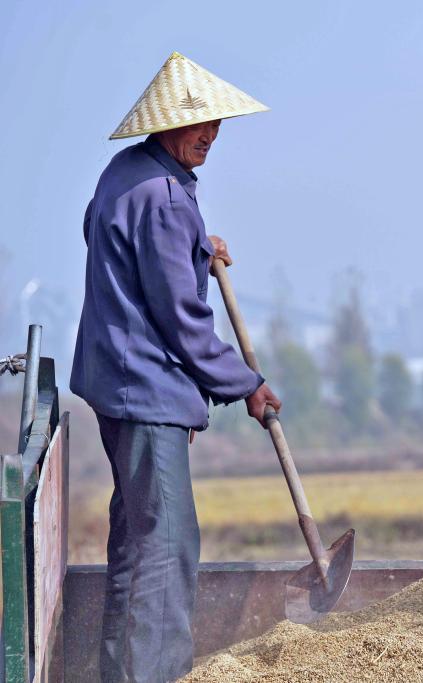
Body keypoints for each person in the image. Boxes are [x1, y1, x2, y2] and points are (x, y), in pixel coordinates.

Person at [71, 52, 280, 683]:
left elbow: (117, 243)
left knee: (138, 545)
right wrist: (245, 383)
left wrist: (195, 244)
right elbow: (181, 318)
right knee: (167, 549)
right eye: (199, 124)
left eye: (217, 124)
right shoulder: (163, 196)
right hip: (146, 390)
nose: (211, 135)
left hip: (121, 385)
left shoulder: (128, 174)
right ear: (163, 124)